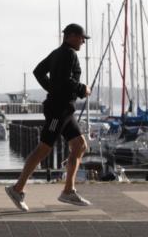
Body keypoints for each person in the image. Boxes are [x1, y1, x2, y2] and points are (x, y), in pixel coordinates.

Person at [6, 23, 92, 210]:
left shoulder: (57, 53)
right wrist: (82, 89)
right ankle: (17, 188)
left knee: (80, 145)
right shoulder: (68, 54)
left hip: (66, 111)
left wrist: (52, 88)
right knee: (44, 148)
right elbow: (65, 81)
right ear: (70, 36)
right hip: (57, 111)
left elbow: (39, 71)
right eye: (81, 37)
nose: (83, 42)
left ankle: (68, 191)